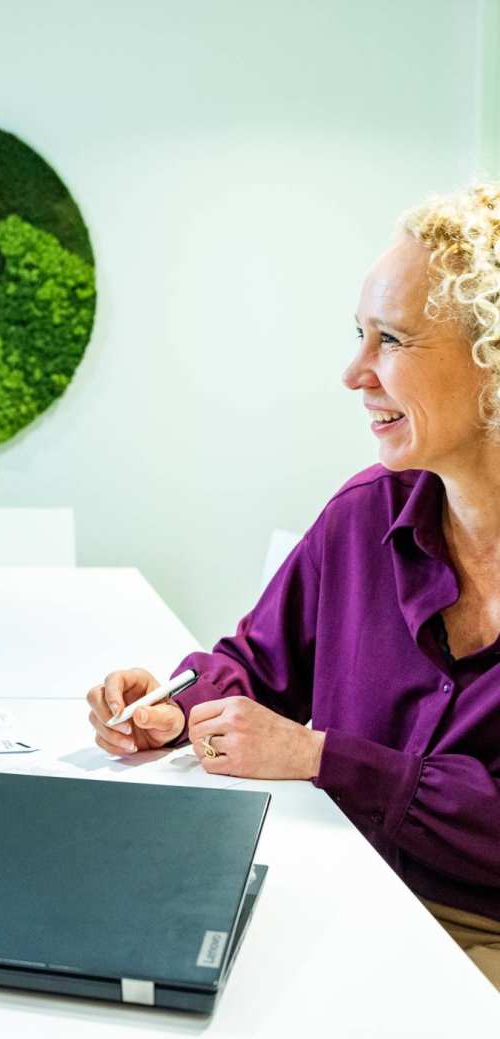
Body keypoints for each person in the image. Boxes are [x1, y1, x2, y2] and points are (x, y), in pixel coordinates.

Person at [86, 184, 500, 989]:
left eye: (392, 340)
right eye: (359, 336)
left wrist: (322, 757)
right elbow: (254, 665)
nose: (355, 372)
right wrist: (175, 706)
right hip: (344, 888)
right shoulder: (361, 517)